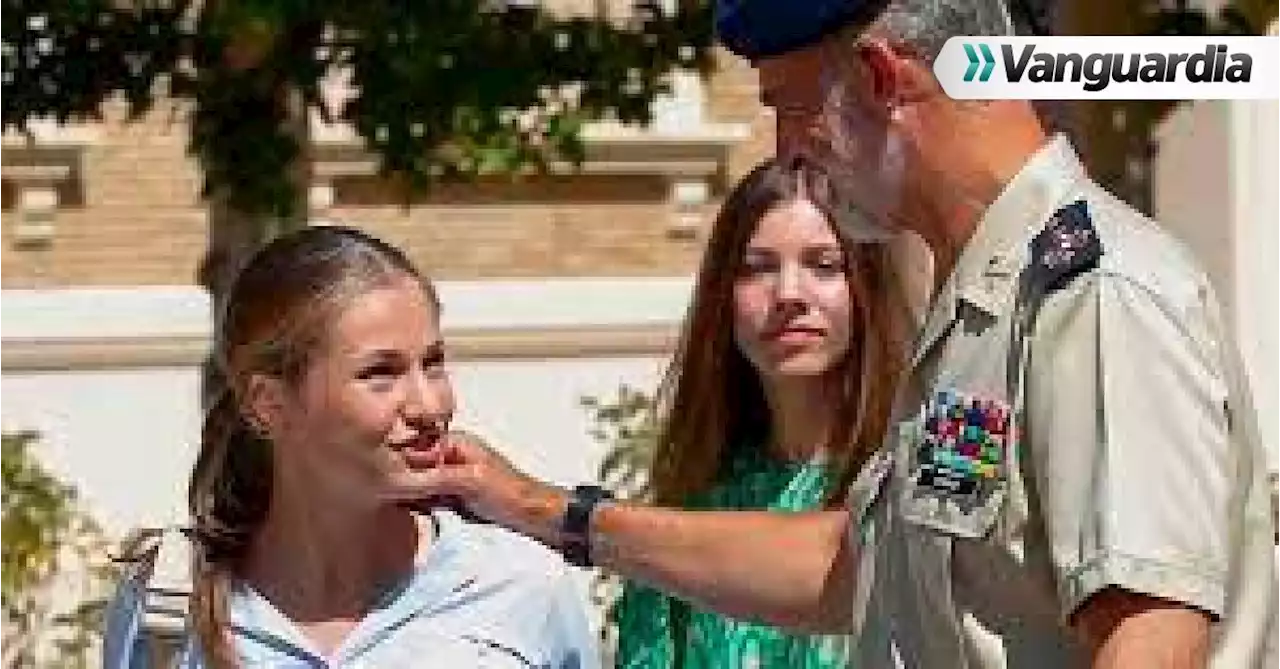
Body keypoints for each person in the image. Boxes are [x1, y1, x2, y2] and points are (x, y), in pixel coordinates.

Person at [385, 0, 1277, 666]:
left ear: (887, 78)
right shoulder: (987, 304)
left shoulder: (1092, 294)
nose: (783, 151)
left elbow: (1149, 635)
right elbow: (854, 563)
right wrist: (553, 512)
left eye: (789, 106)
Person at [103, 225, 598, 668]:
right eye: (380, 373)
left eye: (434, 363)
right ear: (269, 404)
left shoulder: (521, 589)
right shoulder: (167, 603)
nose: (429, 405)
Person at [612, 158, 909, 669]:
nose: (789, 295)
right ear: (721, 297)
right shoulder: (690, 505)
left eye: (824, 265)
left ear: (867, 288)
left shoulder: (908, 478)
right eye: (757, 267)